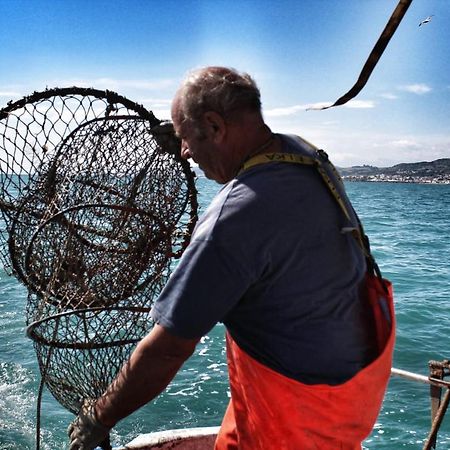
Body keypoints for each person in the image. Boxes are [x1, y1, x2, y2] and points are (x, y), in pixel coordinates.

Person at [68, 66, 395, 450]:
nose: (186, 153)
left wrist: (99, 415)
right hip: (347, 400)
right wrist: (188, 136)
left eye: (187, 139)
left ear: (215, 126)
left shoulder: (232, 219)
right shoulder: (305, 156)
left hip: (293, 424)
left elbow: (168, 348)